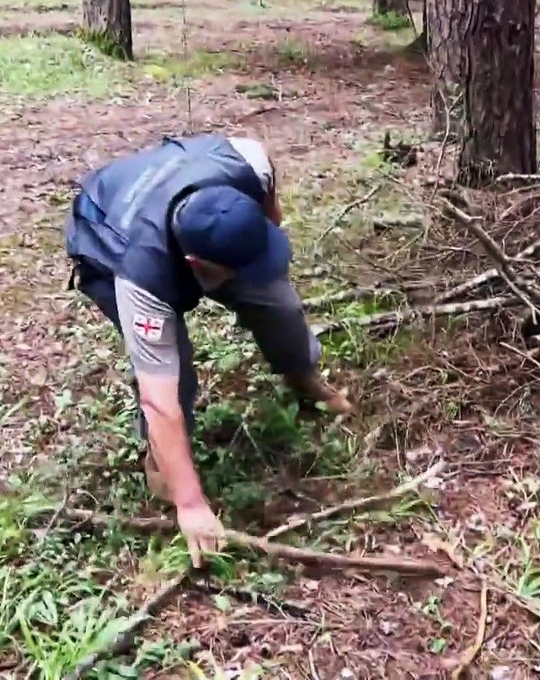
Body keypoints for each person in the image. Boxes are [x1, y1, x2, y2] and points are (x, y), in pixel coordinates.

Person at [64, 133, 353, 567]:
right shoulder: (142, 277)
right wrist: (192, 505)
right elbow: (158, 400)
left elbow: (267, 187)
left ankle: (303, 377)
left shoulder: (244, 164)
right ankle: (164, 473)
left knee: (279, 305)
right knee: (172, 373)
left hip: (191, 209)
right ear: (200, 268)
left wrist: (263, 228)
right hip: (107, 232)